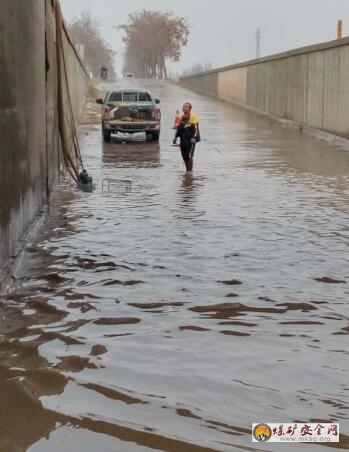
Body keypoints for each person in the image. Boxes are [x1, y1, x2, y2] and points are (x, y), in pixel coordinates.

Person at [173, 103, 200, 172]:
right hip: (183, 140)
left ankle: (190, 172)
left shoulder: (193, 117)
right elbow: (179, 128)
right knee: (184, 156)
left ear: (190, 109)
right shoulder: (182, 117)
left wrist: (194, 138)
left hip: (190, 140)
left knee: (189, 155)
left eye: (186, 107)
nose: (185, 108)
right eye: (184, 107)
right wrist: (176, 137)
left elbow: (196, 128)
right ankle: (187, 171)